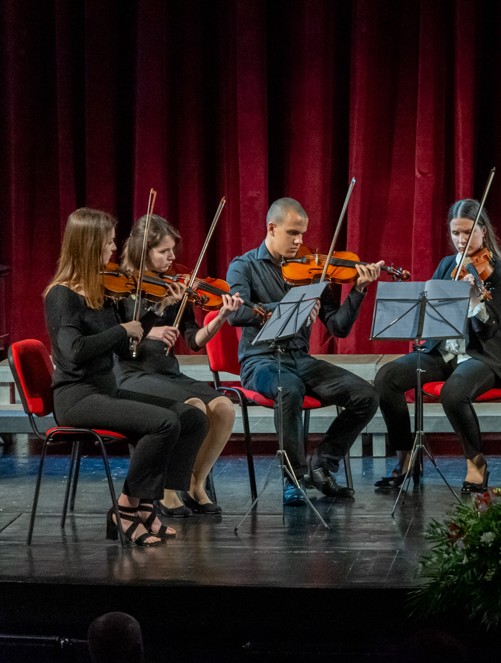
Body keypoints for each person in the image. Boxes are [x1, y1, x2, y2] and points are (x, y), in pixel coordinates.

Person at [42, 209, 207, 546]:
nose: (113, 249)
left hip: (107, 389)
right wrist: (121, 329)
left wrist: (158, 311)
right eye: (107, 243)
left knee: (191, 418)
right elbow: (73, 350)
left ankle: (146, 505)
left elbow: (123, 349)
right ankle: (125, 509)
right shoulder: (61, 294)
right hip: (77, 397)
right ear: (88, 247)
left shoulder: (102, 291)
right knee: (164, 423)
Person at [225, 198, 381, 505]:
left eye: (302, 234)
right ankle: (293, 477)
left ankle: (322, 465)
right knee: (290, 389)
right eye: (292, 233)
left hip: (301, 359)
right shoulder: (243, 266)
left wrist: (358, 291)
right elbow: (236, 314)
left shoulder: (313, 271)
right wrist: (288, 309)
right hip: (261, 361)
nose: (299, 241)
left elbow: (338, 327)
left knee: (367, 396)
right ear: (272, 228)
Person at [372, 199, 501, 493]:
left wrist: (476, 299)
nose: (461, 240)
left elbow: (491, 328)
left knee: (454, 391)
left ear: (483, 231)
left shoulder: (499, 271)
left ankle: (475, 463)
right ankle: (405, 458)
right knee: (386, 377)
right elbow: (430, 310)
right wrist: (421, 328)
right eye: (455, 233)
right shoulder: (446, 265)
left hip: (484, 355)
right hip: (443, 353)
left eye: (468, 232)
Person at [114, 215, 245, 516]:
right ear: (142, 251)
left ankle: (196, 484)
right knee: (194, 407)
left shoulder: (174, 287)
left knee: (224, 407)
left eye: (172, 250)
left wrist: (221, 317)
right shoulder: (119, 288)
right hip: (131, 374)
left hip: (166, 372)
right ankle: (168, 490)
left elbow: (194, 339)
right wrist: (148, 331)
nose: (172, 257)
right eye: (164, 251)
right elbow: (112, 334)